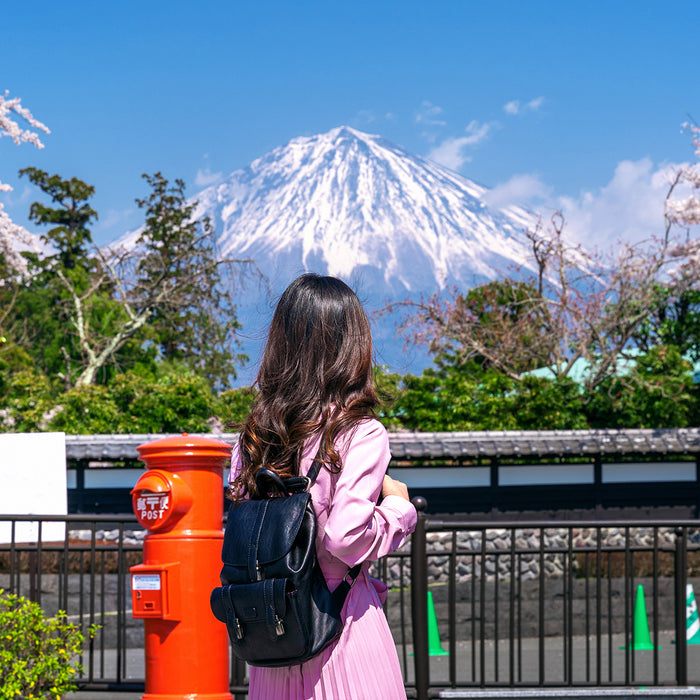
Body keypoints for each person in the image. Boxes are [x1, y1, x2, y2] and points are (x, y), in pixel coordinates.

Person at [228, 273, 417, 700]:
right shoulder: (359, 432)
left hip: (274, 641)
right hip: (341, 628)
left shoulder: (252, 438)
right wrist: (398, 511)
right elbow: (343, 537)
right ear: (352, 346)